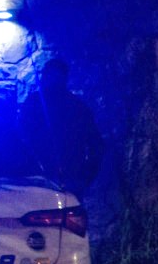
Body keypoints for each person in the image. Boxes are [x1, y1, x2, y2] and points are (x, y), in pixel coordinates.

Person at [18, 58, 103, 196]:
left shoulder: (77, 107)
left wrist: (86, 176)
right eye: (49, 75)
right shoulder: (33, 103)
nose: (51, 80)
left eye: (55, 76)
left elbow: (96, 144)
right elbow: (21, 137)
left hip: (69, 178)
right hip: (38, 177)